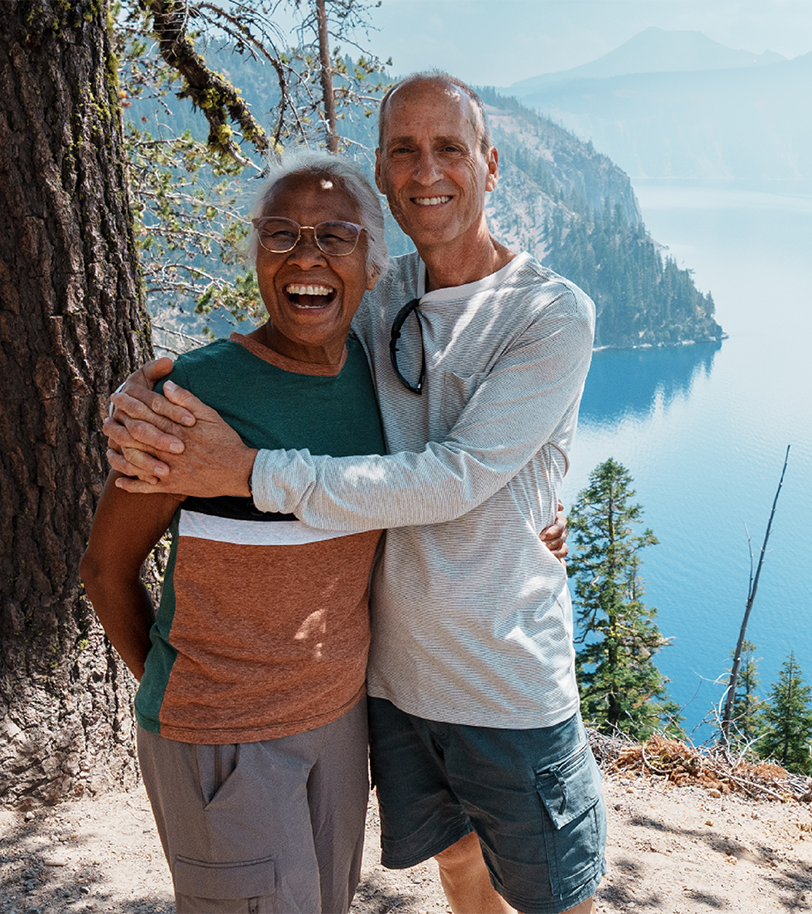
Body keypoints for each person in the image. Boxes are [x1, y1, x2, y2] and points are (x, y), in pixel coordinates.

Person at [107, 71, 605, 914]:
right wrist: (140, 399)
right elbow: (286, 355)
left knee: (556, 900)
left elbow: (458, 477)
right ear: (381, 169)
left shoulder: (549, 312)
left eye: (450, 148)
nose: (427, 171)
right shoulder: (381, 299)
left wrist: (249, 474)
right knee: (457, 870)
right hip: (392, 685)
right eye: (405, 150)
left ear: (490, 163)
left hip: (506, 682)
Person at [80, 150, 392, 914]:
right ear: (255, 257)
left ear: (374, 264)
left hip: (339, 723)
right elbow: (106, 568)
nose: (305, 256)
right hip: (222, 733)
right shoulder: (199, 392)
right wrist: (185, 687)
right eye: (280, 235)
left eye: (335, 235)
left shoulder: (384, 375)